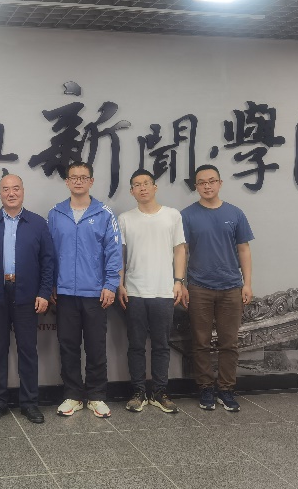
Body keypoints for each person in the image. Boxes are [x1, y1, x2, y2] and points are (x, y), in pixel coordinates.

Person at [0, 174, 54, 425]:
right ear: (0, 193)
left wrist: (44, 293)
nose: (11, 193)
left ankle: (29, 403)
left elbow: (48, 262)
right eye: (6, 189)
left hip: (28, 295)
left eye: (15, 188)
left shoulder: (38, 223)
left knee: (28, 350)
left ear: (23, 191)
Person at [48, 161, 122, 418]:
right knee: (68, 346)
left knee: (95, 346)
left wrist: (110, 284)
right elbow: (49, 253)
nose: (78, 181)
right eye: (73, 177)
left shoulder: (105, 213)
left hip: (95, 293)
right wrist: (51, 284)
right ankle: (73, 395)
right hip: (65, 293)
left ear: (91, 181)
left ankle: (97, 396)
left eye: (83, 177)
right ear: (67, 182)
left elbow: (114, 252)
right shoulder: (56, 214)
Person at [181, 164, 254, 412]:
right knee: (200, 342)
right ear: (196, 187)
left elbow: (244, 249)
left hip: (231, 287)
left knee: (229, 343)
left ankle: (226, 390)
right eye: (202, 182)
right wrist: (181, 283)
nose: (207, 186)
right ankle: (205, 388)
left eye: (212, 181)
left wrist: (247, 283)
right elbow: (181, 252)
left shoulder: (235, 213)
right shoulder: (187, 215)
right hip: (198, 286)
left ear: (220, 183)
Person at [117, 169, 186, 414]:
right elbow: (120, 255)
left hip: (164, 290)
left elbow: (180, 250)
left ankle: (159, 392)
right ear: (131, 191)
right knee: (136, 345)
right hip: (134, 290)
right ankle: (138, 391)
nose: (142, 188)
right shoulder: (125, 219)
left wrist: (179, 281)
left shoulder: (172, 215)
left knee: (161, 345)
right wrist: (120, 284)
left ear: (155, 187)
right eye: (137, 184)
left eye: (146, 183)